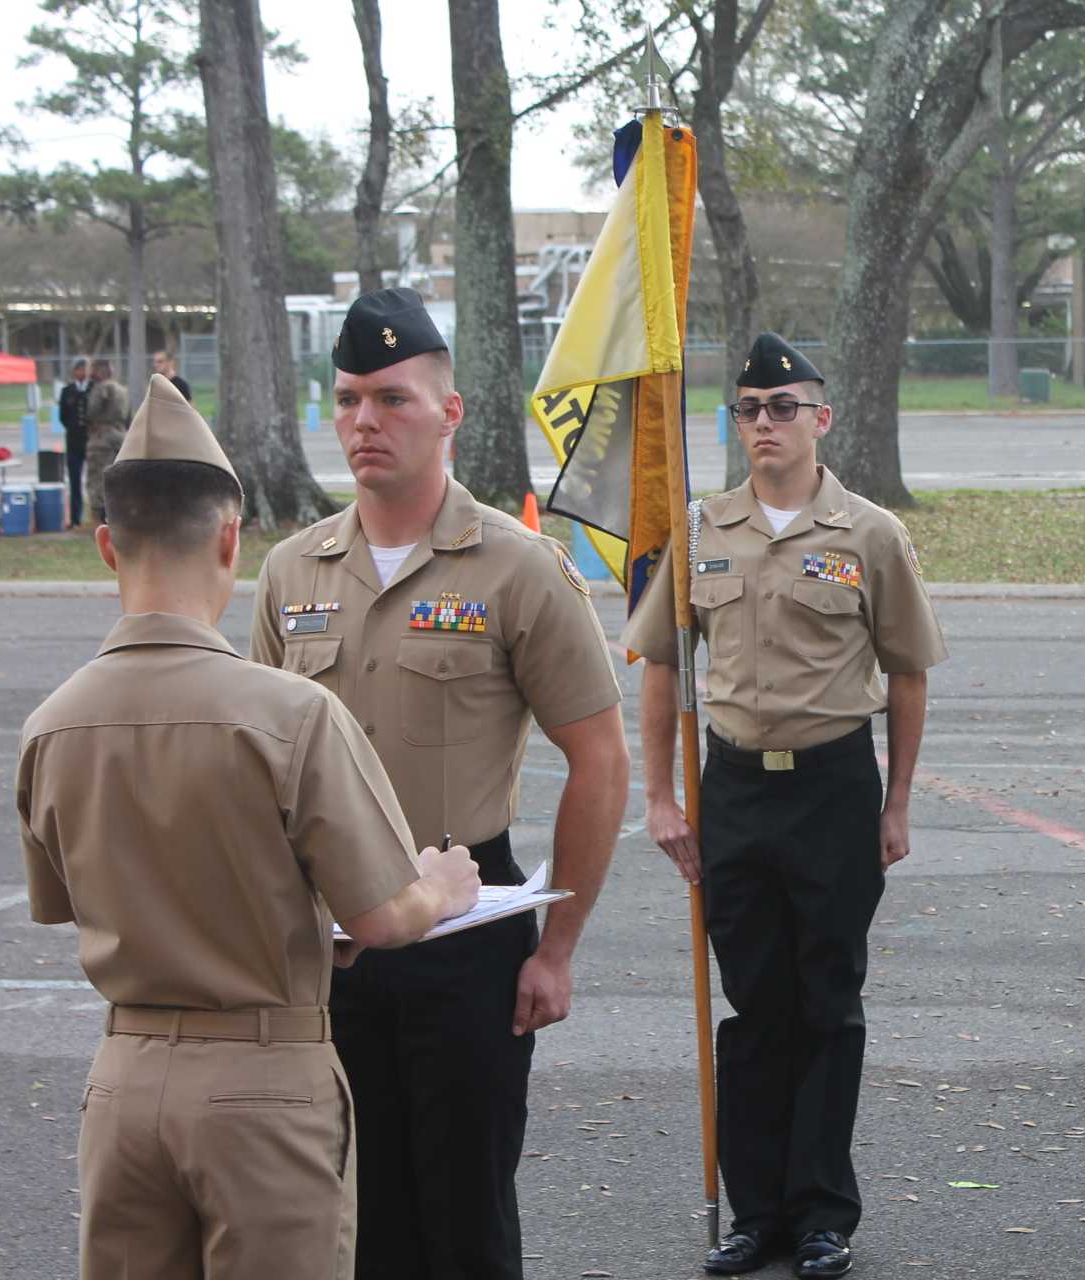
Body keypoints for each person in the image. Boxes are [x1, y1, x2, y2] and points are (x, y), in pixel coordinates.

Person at [16, 373, 484, 1279]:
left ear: (107, 545)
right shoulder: (290, 714)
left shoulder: (52, 724)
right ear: (231, 539)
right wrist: (441, 889)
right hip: (263, 1083)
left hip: (124, 1079)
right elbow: (385, 917)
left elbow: (87, 898)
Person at [250, 286, 630, 1280]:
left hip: (467, 936)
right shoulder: (293, 573)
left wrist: (557, 949)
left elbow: (600, 757)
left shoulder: (516, 568)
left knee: (464, 1222)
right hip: (330, 945)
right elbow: (257, 773)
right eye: (346, 400)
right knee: (350, 1220)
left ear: (450, 411)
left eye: (392, 398)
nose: (364, 421)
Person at [625, 332, 947, 1280]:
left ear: (822, 419)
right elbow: (659, 667)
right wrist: (659, 797)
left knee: (828, 1002)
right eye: (749, 411)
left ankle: (820, 1213)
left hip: (834, 790)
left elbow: (909, 672)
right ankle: (755, 1211)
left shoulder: (869, 534)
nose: (766, 425)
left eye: (784, 408)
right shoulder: (701, 531)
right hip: (732, 793)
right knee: (755, 1005)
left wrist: (898, 804)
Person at [83, 359, 130, 525]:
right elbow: (128, 416)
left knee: (97, 478)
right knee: (118, 477)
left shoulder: (101, 388)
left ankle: (98, 520)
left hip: (101, 438)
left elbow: (92, 411)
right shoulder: (123, 390)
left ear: (100, 371)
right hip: (120, 436)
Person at [57, 357, 90, 527]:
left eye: (84, 369)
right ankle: (76, 518)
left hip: (91, 441)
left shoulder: (94, 389)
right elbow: (63, 417)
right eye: (78, 369)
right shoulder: (67, 391)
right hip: (74, 442)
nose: (81, 372)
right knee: (74, 481)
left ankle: (98, 517)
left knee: (95, 481)